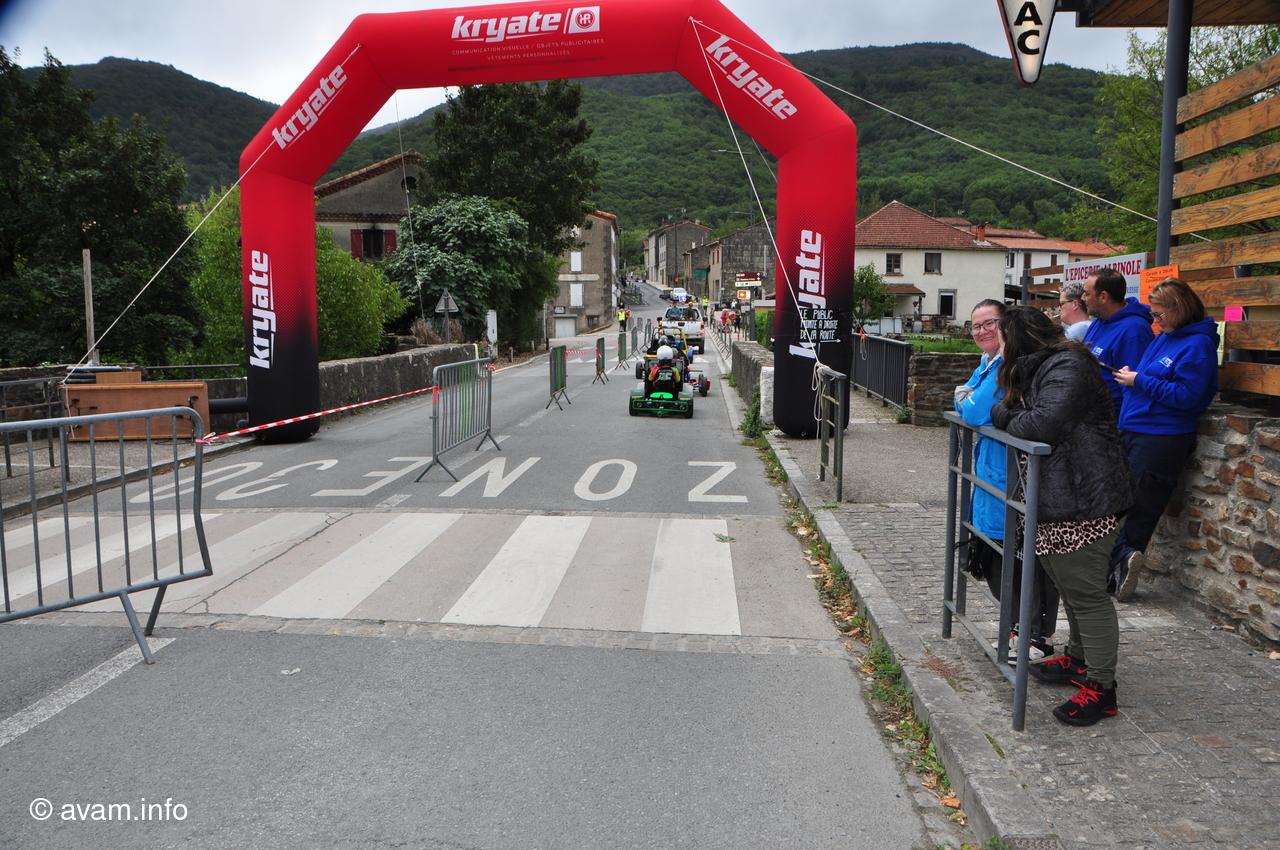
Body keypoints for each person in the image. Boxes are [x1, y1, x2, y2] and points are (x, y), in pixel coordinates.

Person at [991, 307, 1136, 727]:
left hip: (1088, 499)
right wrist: (1008, 412)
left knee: (1085, 593)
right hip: (1061, 498)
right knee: (1068, 586)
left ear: (1018, 338)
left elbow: (1041, 424)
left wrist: (1004, 415)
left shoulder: (1068, 365)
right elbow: (1015, 413)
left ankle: (1102, 688)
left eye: (1001, 337)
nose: (998, 346)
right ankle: (1077, 658)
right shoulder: (1042, 367)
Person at [955, 300, 1057, 660]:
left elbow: (972, 409)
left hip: (1014, 475)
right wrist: (966, 397)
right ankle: (1017, 630)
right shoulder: (989, 362)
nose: (982, 331)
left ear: (1007, 327)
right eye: (976, 325)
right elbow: (964, 397)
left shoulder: (1008, 366)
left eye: (990, 323)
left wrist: (967, 398)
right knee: (1000, 555)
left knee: (1022, 557)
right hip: (994, 472)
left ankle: (1035, 636)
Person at [1109, 278, 1219, 600]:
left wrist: (1140, 381)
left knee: (1142, 506)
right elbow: (1149, 378)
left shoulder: (1198, 345)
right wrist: (1133, 379)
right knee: (1118, 501)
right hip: (1136, 428)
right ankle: (1114, 566)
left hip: (1162, 436)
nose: (1155, 321)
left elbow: (1187, 396)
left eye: (1159, 314)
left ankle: (1119, 569)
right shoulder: (1165, 337)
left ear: (1179, 308)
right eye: (1153, 315)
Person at [1081, 267, 1153, 412]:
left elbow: (1134, 388)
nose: (1082, 297)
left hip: (1111, 416)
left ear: (1103, 296)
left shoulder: (1134, 330)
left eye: (1087, 293)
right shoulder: (1100, 320)